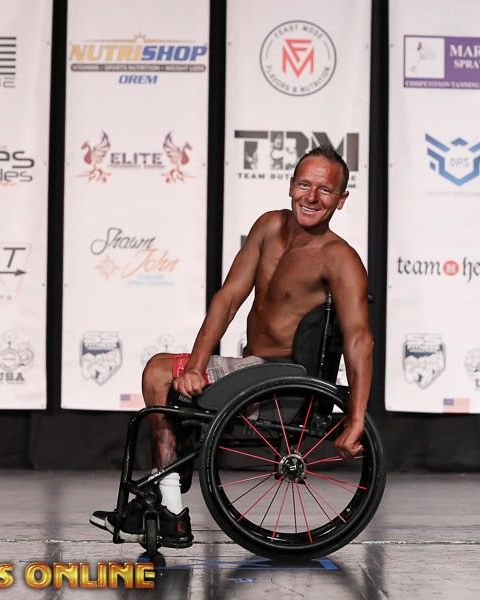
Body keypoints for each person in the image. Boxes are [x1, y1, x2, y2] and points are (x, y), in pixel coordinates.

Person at [92, 143, 373, 548]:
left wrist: (356, 417)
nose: (311, 197)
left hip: (281, 382)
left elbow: (360, 338)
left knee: (157, 372)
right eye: (304, 185)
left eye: (325, 190)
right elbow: (228, 299)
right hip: (253, 371)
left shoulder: (340, 258)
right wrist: (196, 366)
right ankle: (167, 503)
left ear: (341, 200)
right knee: (169, 377)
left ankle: (171, 513)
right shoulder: (269, 227)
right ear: (290, 185)